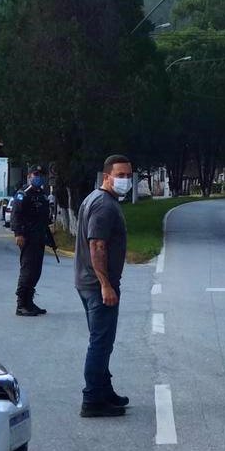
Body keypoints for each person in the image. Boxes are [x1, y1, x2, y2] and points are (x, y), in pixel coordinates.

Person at [74, 154, 133, 417]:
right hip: (98, 284)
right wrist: (106, 285)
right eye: (120, 175)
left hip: (88, 282)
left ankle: (105, 389)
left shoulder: (95, 198)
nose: (126, 180)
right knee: (99, 343)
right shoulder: (104, 205)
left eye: (129, 175)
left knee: (103, 341)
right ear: (107, 176)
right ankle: (92, 400)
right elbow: (97, 245)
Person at [11, 165, 52, 316]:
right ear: (29, 176)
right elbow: (16, 214)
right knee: (27, 270)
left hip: (39, 237)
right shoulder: (23, 194)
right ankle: (21, 304)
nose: (38, 177)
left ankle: (29, 301)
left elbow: (43, 218)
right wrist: (18, 234)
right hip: (27, 237)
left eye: (40, 175)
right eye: (36, 174)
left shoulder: (41, 194)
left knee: (36, 271)